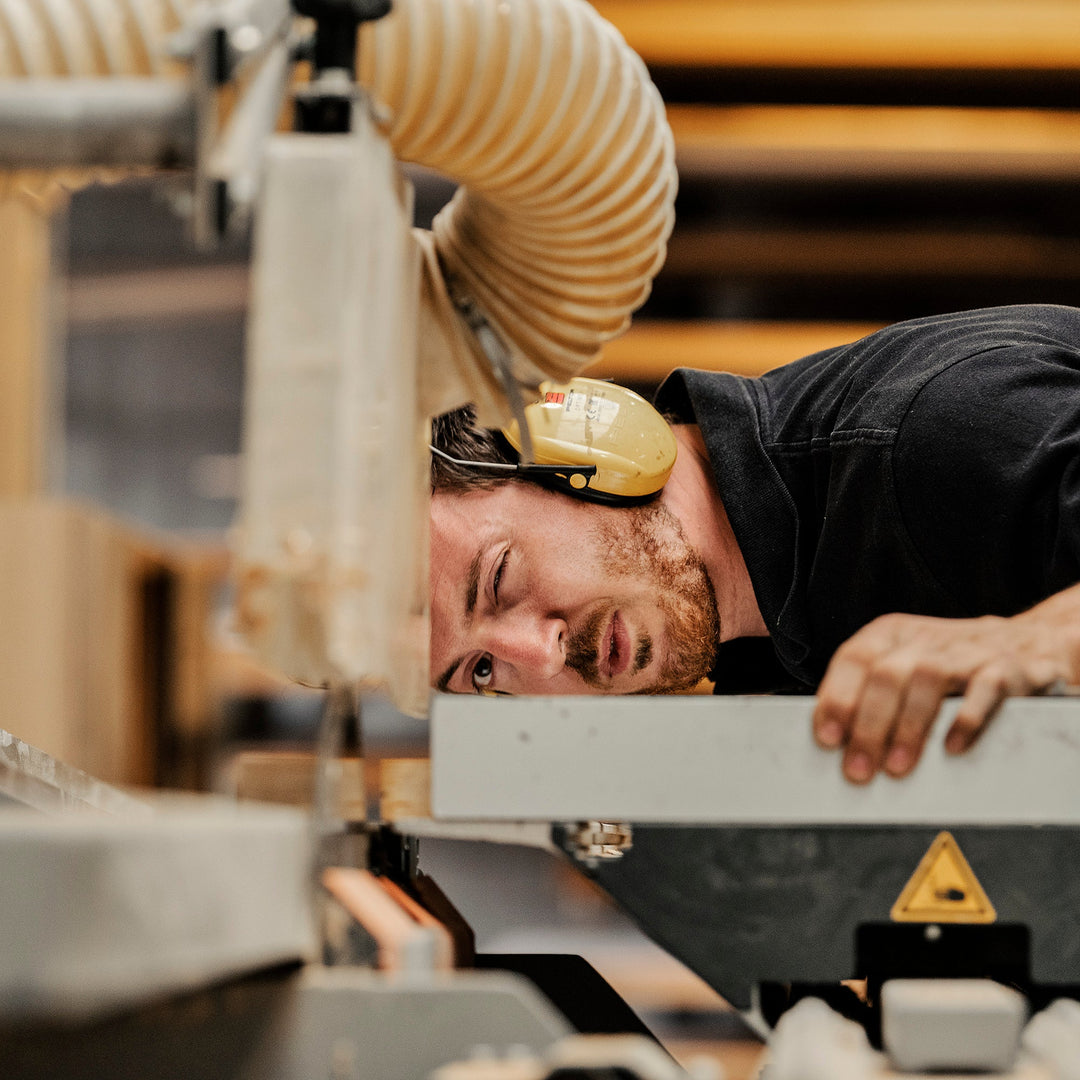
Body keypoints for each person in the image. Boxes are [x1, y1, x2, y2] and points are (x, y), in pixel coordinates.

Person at [428, 304, 1080, 783]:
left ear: (577, 442)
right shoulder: (774, 636)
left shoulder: (930, 438)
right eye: (481, 671)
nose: (540, 660)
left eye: (499, 579)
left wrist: (1044, 638)